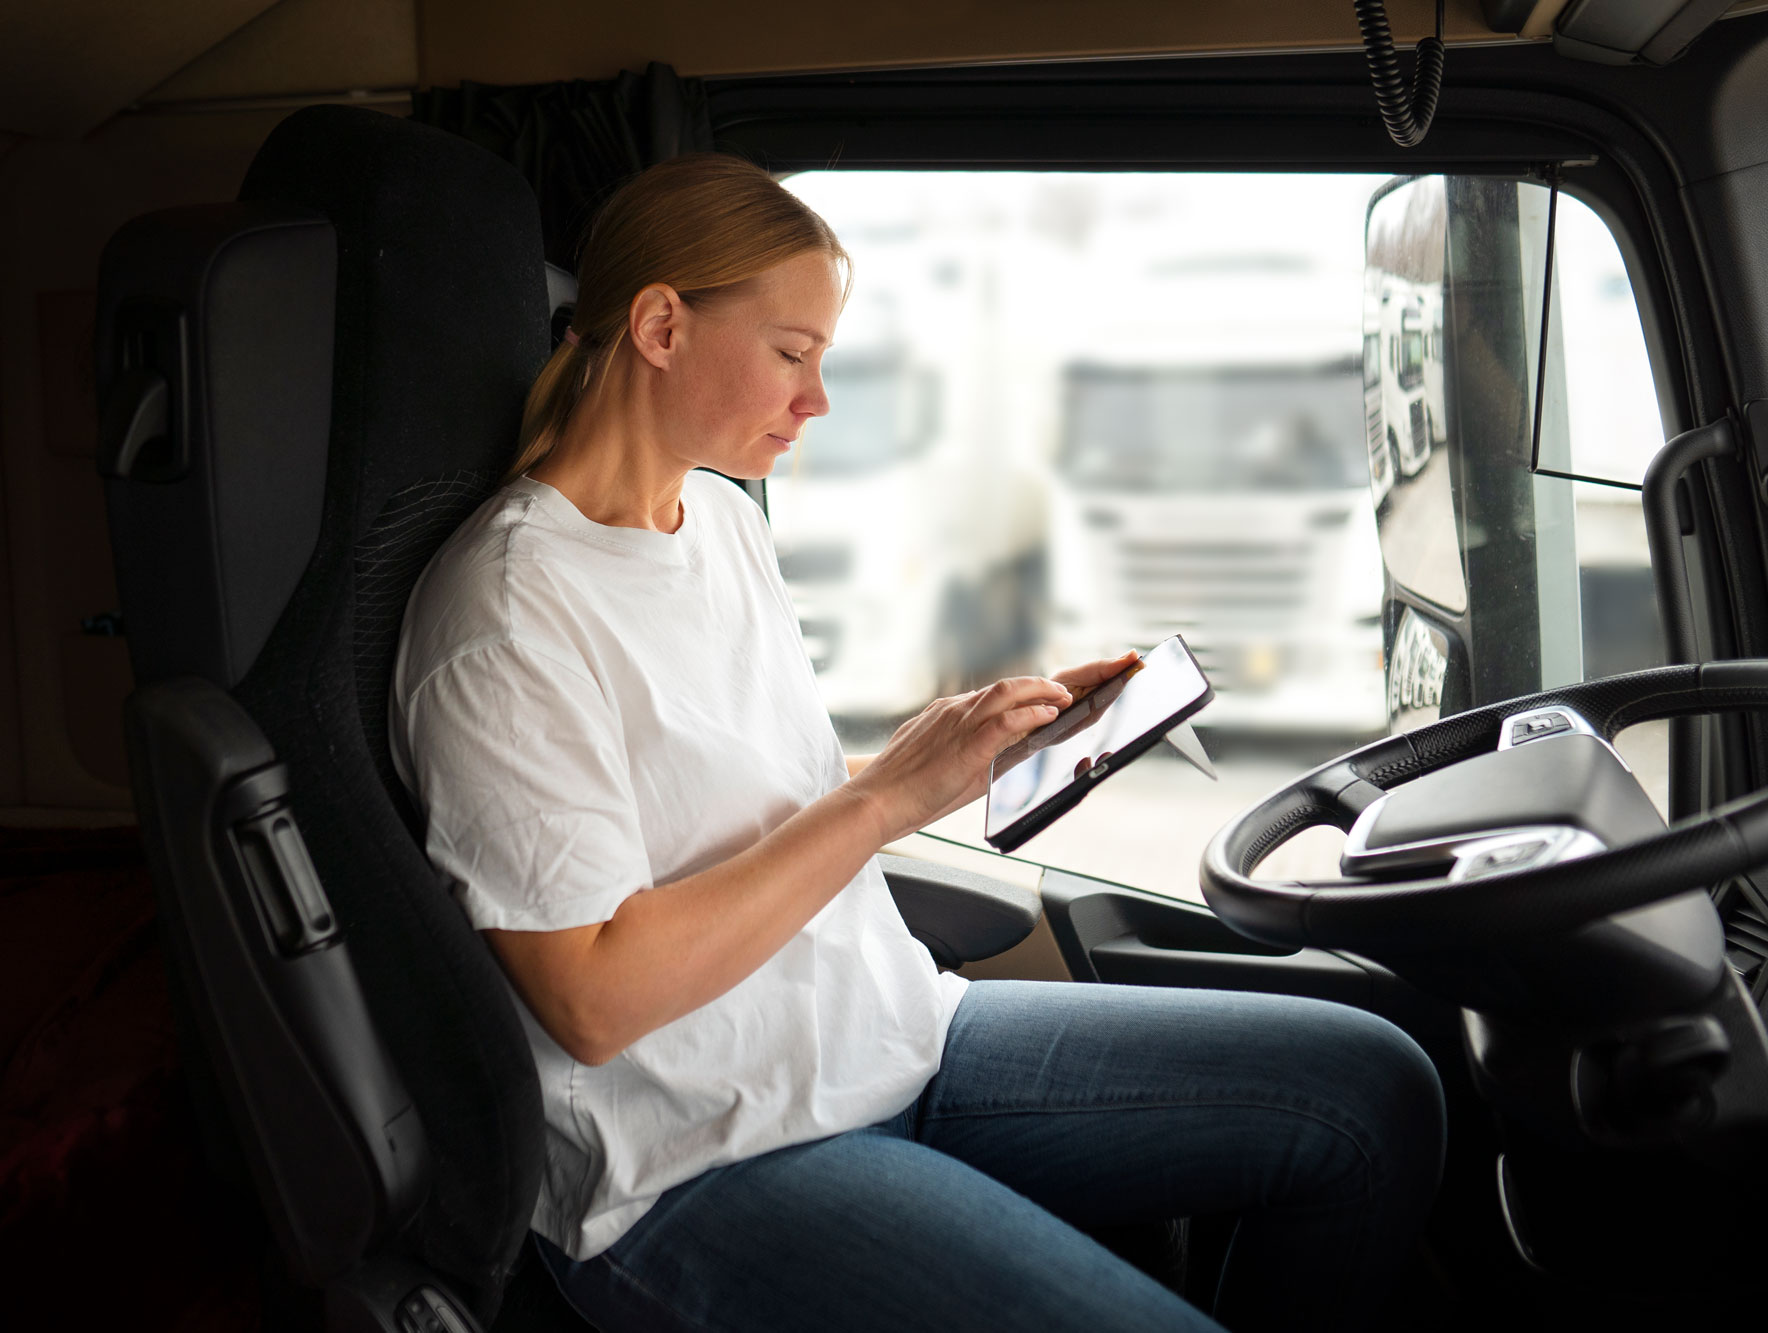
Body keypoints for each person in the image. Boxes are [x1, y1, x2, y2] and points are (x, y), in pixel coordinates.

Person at [391, 152, 1445, 1333]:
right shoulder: (507, 610)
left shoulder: (722, 523)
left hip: (890, 1037)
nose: (816, 400)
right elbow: (592, 993)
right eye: (791, 354)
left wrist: (958, 757)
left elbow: (735, 799)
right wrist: (885, 799)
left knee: (1375, 1090)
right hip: (703, 1155)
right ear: (658, 326)